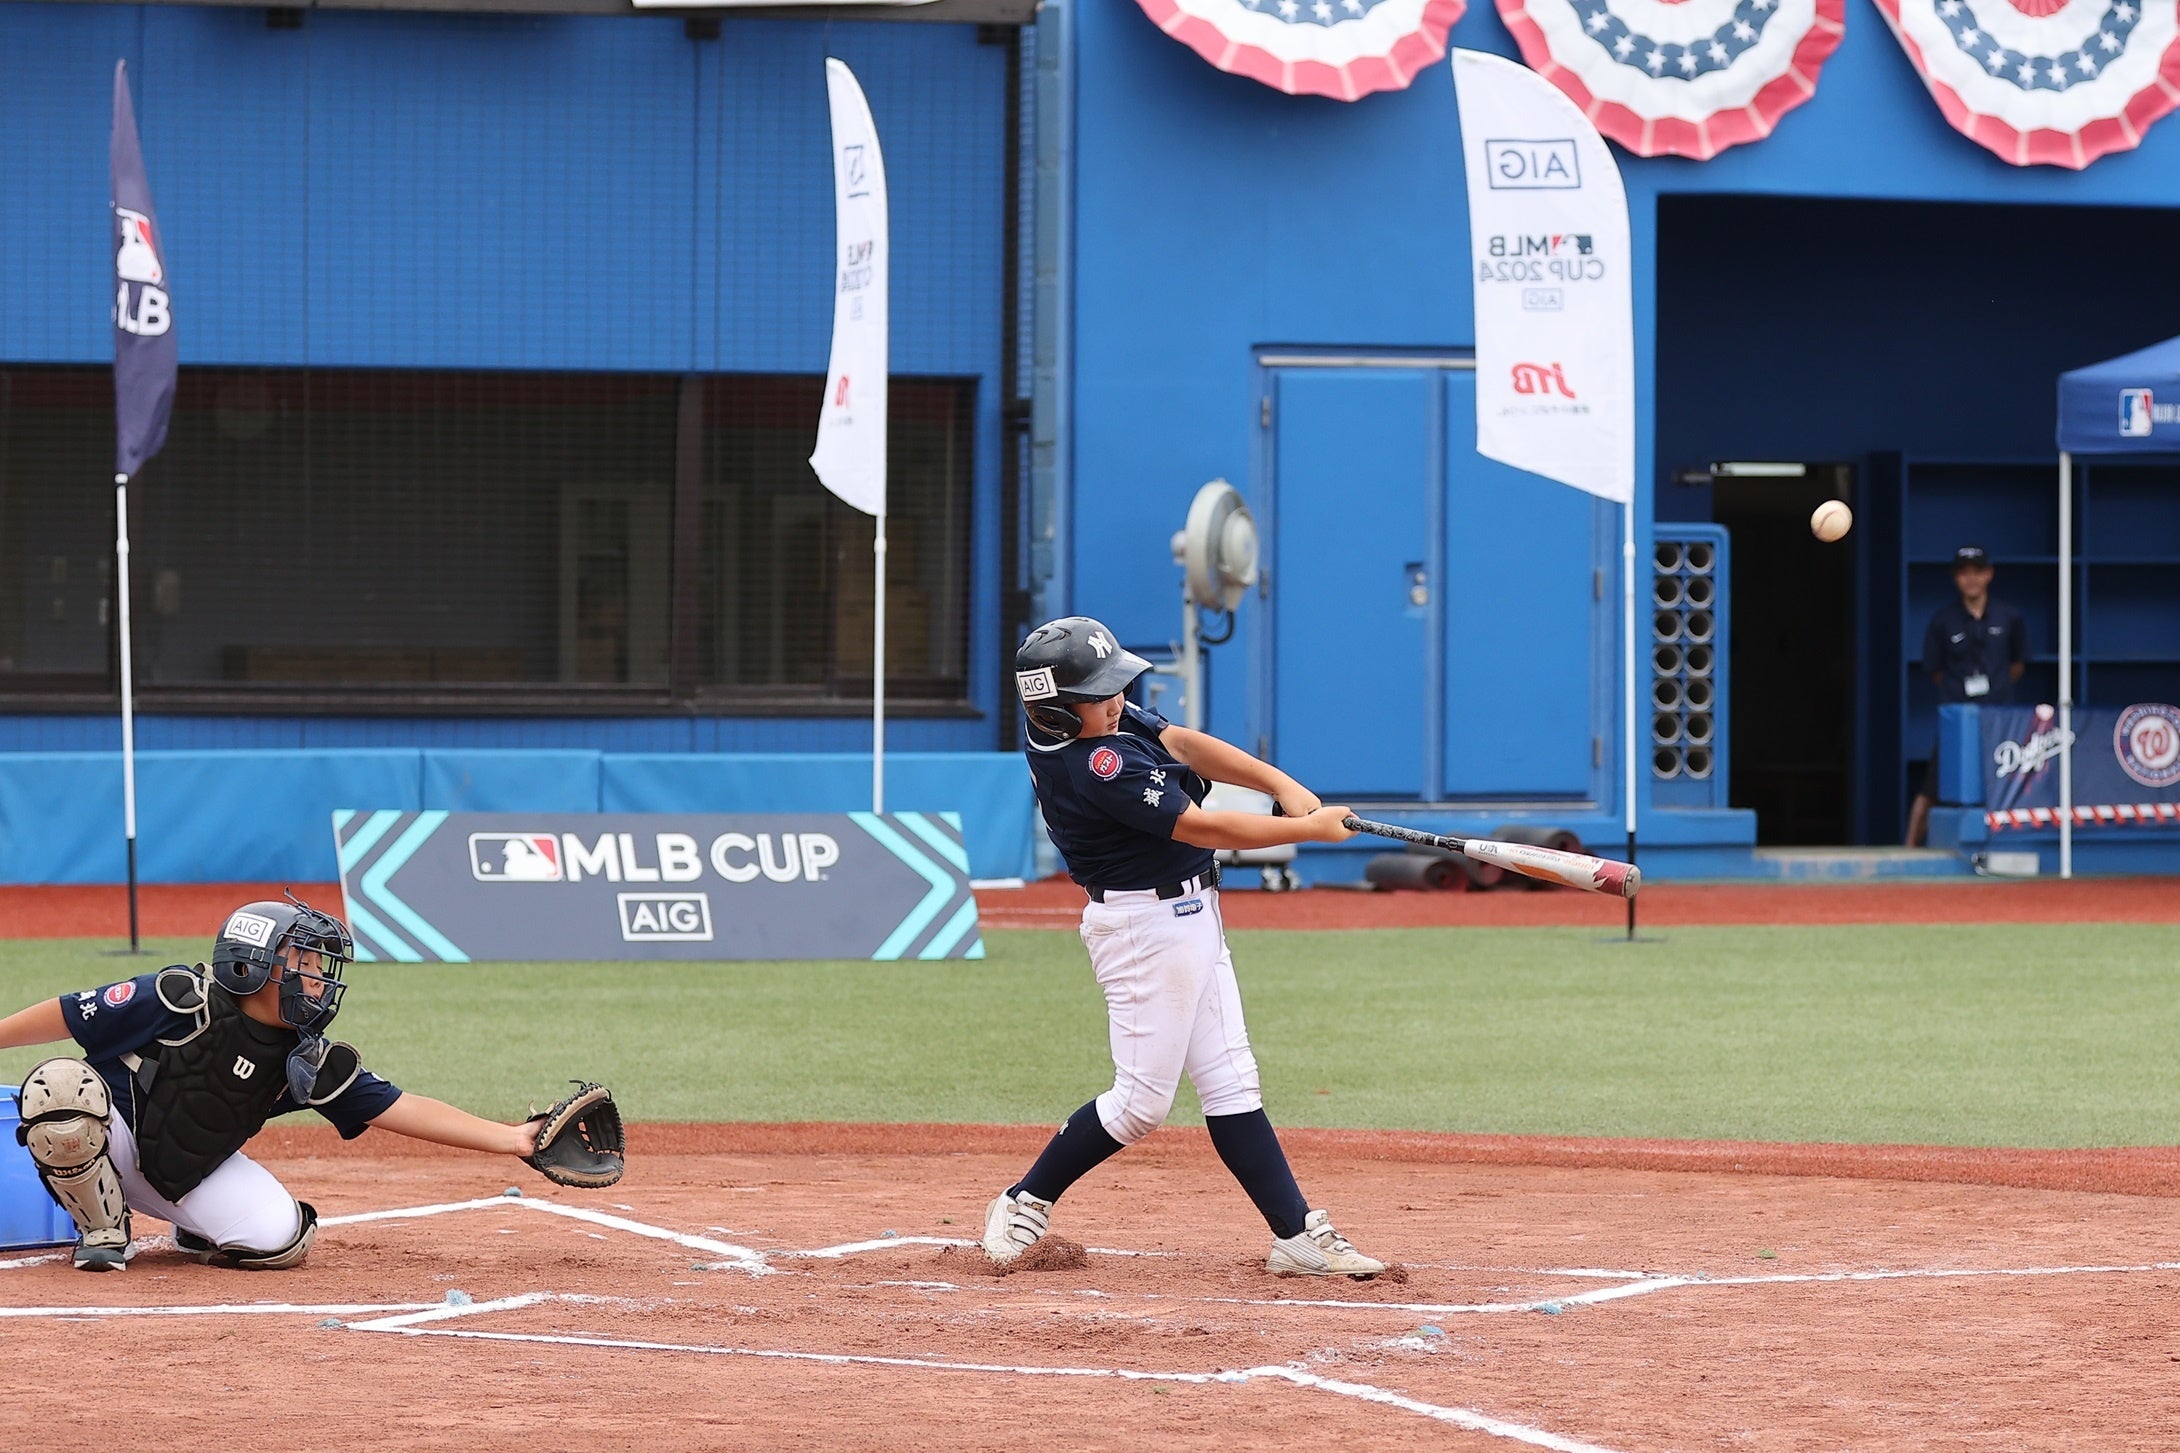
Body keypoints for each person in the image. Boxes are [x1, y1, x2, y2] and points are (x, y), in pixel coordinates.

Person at [983, 616, 1385, 1278]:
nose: (1117, 701)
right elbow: (1200, 824)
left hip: (1194, 915)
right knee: (1141, 1102)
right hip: (1144, 930)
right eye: (1101, 694)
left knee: (1231, 1080)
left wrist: (1277, 783)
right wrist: (1307, 830)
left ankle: (1296, 1234)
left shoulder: (1096, 719)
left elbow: (1182, 742)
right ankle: (1027, 1196)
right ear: (1056, 709)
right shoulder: (1093, 765)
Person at [1, 895, 547, 1272]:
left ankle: (196, 1229)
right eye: (305, 964)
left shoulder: (305, 1059)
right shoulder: (177, 997)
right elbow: (69, 1013)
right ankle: (102, 1228)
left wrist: (514, 1138)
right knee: (59, 1085)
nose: (319, 980)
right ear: (252, 966)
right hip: (107, 1142)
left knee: (276, 1240)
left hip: (184, 1170)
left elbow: (401, 1107)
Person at [1907, 545, 2029, 847]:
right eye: (1963, 573)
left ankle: (2010, 846)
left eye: (1977, 572)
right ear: (1955, 578)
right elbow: (1933, 669)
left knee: (2006, 784)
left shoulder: (2009, 616)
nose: (1971, 579)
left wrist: (1995, 690)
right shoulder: (1943, 620)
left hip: (2000, 719)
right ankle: (1907, 850)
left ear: (1989, 574)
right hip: (1957, 719)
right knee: (1932, 786)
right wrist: (1958, 693)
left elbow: (2018, 664)